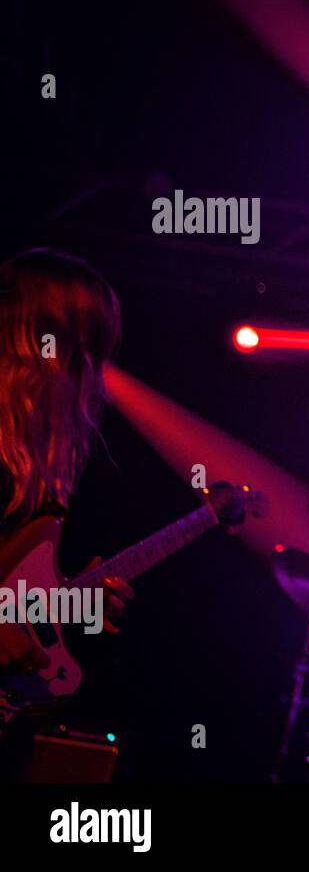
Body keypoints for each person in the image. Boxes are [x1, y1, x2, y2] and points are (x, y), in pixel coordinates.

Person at [0, 249, 132, 674]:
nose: (93, 378)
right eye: (87, 355)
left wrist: (81, 612)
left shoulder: (38, 465)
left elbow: (15, 609)